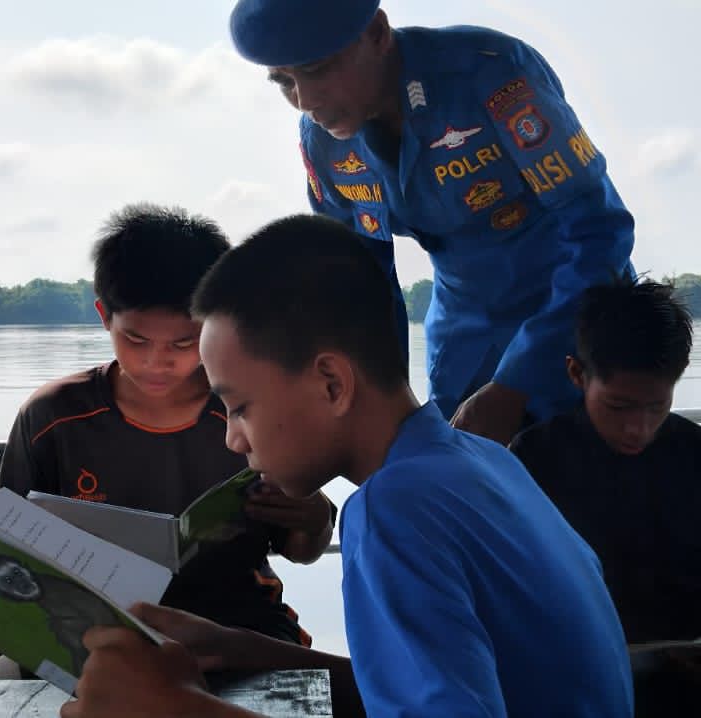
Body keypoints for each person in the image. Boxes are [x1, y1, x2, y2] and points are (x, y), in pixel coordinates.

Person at [59, 214, 634, 718]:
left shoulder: (395, 510)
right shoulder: (479, 461)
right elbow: (434, 686)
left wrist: (180, 711)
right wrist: (240, 647)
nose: (233, 438)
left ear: (331, 384)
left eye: (239, 407)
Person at [228, 0, 638, 445]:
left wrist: (520, 379)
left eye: (318, 69)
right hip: (464, 335)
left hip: (580, 316)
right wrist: (379, 402)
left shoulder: (492, 76)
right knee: (452, 478)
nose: (305, 102)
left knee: (590, 487)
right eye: (284, 81)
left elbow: (599, 232)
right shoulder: (325, 143)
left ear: (379, 33)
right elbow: (357, 285)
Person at [0, 204, 336, 673]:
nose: (157, 362)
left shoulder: (256, 409)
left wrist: (314, 520)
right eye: (135, 340)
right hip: (89, 634)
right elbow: (2, 550)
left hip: (242, 631)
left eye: (182, 343)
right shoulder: (53, 417)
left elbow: (302, 551)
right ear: (103, 318)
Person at [508, 277, 701, 717]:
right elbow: (516, 606)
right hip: (577, 679)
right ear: (577, 374)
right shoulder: (533, 460)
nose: (638, 428)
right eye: (619, 407)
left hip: (697, 680)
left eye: (657, 406)